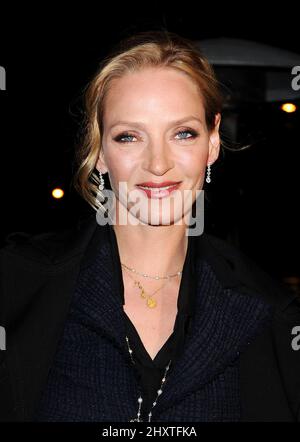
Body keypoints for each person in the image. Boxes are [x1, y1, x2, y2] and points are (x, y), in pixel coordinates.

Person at [0, 30, 299, 423]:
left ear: (211, 142)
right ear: (101, 152)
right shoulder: (16, 284)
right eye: (129, 136)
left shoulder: (272, 314)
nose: (158, 163)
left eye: (183, 133)